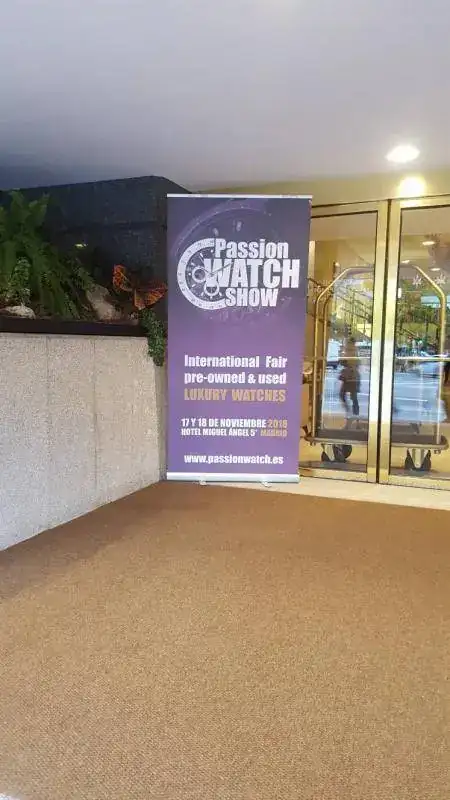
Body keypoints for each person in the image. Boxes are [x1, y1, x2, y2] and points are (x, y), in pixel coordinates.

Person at [338, 337, 360, 416]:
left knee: (344, 395)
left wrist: (341, 355)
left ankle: (351, 412)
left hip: (350, 377)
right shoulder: (354, 350)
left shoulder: (349, 350)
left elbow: (343, 362)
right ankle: (354, 413)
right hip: (353, 376)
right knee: (353, 397)